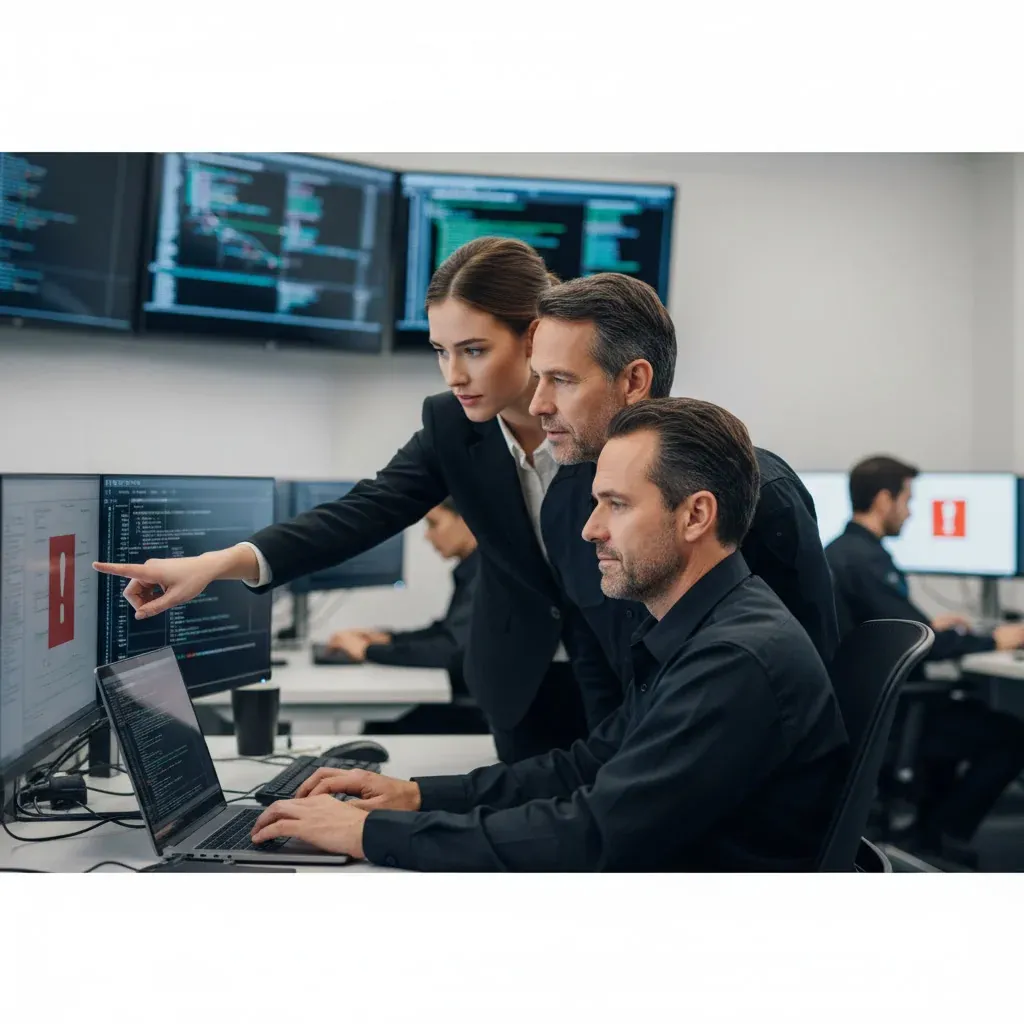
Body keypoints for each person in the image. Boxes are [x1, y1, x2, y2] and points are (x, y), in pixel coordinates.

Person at [248, 399, 850, 871]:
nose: (589, 530)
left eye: (615, 505)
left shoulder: (734, 659)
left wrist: (368, 833)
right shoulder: (699, 630)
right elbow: (588, 766)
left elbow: (589, 836)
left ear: (695, 515)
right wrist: (414, 796)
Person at [94, 237, 620, 763]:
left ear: (533, 338)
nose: (454, 374)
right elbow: (363, 512)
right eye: (441, 351)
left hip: (618, 671)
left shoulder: (607, 421)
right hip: (516, 679)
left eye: (474, 350)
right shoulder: (451, 424)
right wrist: (216, 565)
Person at [528, 272, 839, 718]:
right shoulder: (565, 504)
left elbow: (808, 685)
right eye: (537, 378)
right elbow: (597, 674)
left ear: (634, 381)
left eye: (561, 379)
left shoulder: (762, 496)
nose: (538, 403)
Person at [825, 455, 1024, 864]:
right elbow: (926, 644)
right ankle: (940, 834)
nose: (911, 513)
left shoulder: (846, 552)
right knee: (1012, 735)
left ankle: (928, 831)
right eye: (907, 501)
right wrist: (997, 639)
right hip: (894, 717)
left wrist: (934, 624)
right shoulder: (865, 560)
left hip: (867, 712)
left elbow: (899, 627)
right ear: (884, 501)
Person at [325, 498, 479, 670]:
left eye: (433, 524)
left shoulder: (484, 577)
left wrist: (366, 650)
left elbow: (450, 650)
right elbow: (446, 633)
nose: (427, 536)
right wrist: (386, 639)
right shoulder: (474, 569)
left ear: (467, 520)